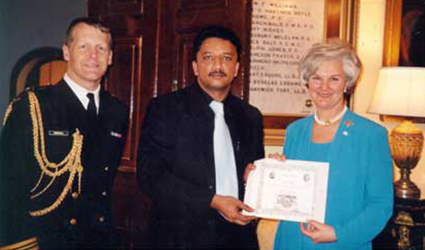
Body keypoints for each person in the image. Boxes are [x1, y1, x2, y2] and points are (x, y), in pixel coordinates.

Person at [0, 17, 129, 249]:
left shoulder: (117, 111)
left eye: (101, 48)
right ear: (67, 52)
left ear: (110, 57)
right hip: (47, 240)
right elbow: (7, 184)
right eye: (84, 47)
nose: (93, 55)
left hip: (99, 239)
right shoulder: (33, 106)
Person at [137, 25, 264, 249]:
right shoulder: (165, 109)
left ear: (236, 68)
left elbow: (252, 170)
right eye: (208, 58)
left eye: (226, 58)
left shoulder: (251, 116)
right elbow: (150, 176)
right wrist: (213, 201)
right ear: (195, 67)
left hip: (237, 238)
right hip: (179, 239)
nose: (217, 65)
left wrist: (263, 172)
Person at [268, 39, 394, 250]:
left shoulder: (372, 135)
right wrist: (270, 172)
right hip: (290, 242)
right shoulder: (295, 131)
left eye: (334, 79)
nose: (324, 87)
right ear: (307, 82)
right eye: (317, 78)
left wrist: (338, 234)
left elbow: (380, 206)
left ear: (347, 83)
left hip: (342, 244)